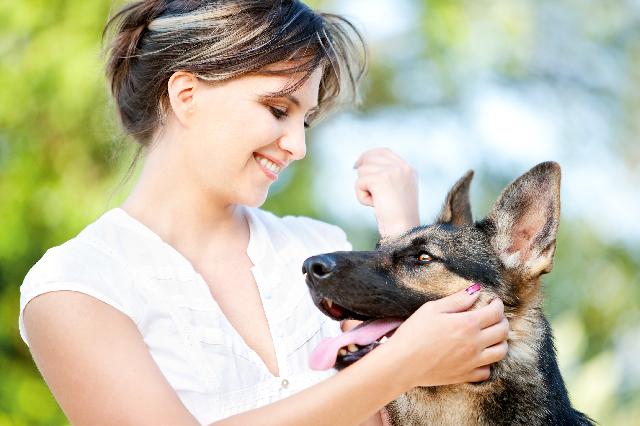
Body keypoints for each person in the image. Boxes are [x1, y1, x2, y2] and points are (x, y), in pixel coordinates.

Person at [18, 1, 509, 425]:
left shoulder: (315, 247)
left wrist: (401, 236)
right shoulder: (76, 286)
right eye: (278, 109)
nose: (297, 146)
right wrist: (401, 363)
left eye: (306, 120)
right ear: (186, 95)